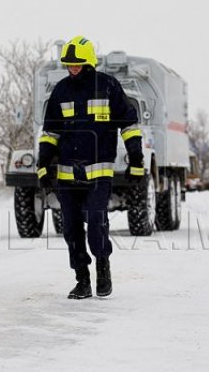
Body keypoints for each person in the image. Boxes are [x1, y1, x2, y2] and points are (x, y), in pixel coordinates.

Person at [37, 36, 144, 299]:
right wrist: (42, 165)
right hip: (66, 174)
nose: (72, 68)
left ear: (88, 63)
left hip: (99, 173)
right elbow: (50, 132)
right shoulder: (60, 91)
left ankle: (103, 267)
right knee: (71, 229)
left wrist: (137, 160)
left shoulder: (108, 87)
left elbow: (129, 125)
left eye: (77, 64)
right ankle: (82, 279)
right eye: (69, 64)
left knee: (97, 223)